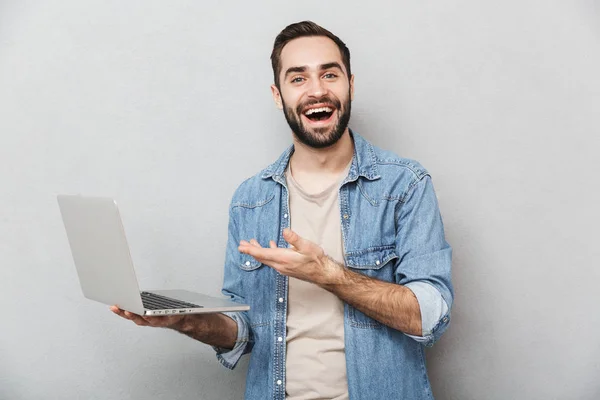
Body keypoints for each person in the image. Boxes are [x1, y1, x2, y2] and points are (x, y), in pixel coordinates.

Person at [111, 21, 453, 400]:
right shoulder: (250, 199)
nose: (317, 90)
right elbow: (243, 330)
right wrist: (186, 321)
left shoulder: (405, 185)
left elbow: (430, 315)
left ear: (350, 85)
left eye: (329, 74)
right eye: (298, 79)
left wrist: (327, 274)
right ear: (278, 95)